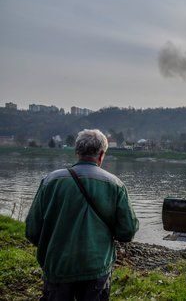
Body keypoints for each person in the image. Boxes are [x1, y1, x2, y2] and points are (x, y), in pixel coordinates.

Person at [25, 129, 139, 301]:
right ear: (101, 155)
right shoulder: (116, 185)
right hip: (96, 267)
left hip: (58, 267)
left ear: (77, 152)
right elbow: (127, 232)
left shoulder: (51, 180)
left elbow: (32, 231)